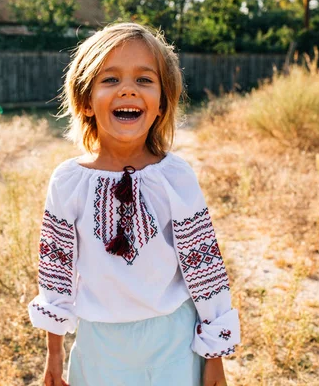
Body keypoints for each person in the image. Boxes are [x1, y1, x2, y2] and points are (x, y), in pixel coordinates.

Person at [27, 22, 241, 386]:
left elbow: (204, 268)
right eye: (110, 80)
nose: (128, 89)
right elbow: (56, 273)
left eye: (144, 80)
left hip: (173, 341)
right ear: (85, 101)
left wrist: (214, 357)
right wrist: (55, 353)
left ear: (162, 102)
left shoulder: (176, 176)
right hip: (100, 348)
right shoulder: (68, 181)